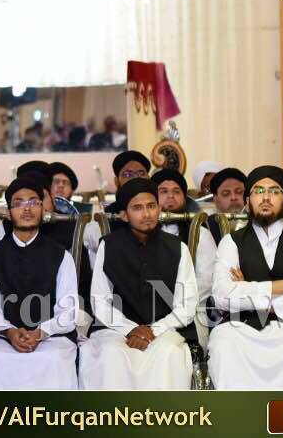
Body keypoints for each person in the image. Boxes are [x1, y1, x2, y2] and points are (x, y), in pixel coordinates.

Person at [207, 165, 283, 389]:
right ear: (248, 200)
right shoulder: (231, 242)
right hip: (241, 327)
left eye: (274, 191)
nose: (265, 197)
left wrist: (248, 290)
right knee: (223, 341)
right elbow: (222, 296)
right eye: (258, 191)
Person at [80, 178, 198, 389]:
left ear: (159, 208)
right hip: (116, 329)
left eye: (151, 206)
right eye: (137, 208)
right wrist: (131, 329)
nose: (147, 214)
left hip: (165, 329)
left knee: (168, 353)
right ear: (124, 215)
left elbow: (187, 304)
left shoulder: (177, 248)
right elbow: (100, 301)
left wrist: (154, 330)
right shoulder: (109, 246)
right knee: (111, 353)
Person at [0, 176, 79, 389]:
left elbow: (68, 310)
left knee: (53, 359)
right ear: (9, 212)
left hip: (51, 336)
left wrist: (40, 332)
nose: (27, 209)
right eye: (19, 203)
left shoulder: (61, 255)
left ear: (42, 209)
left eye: (33, 202)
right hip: (3, 336)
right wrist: (10, 332)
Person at [151, 168, 217, 345]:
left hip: (190, 312)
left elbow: (207, 281)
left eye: (176, 191)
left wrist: (176, 303)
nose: (170, 196)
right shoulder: (141, 233)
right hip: (145, 311)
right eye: (163, 191)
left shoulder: (200, 233)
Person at [82, 150, 151, 258]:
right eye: (128, 174)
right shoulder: (101, 222)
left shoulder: (159, 214)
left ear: (149, 178)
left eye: (141, 173)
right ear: (116, 181)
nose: (135, 178)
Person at [207, 167, 248, 245]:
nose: (233, 197)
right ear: (216, 200)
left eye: (239, 192)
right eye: (226, 194)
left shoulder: (257, 222)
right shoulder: (207, 226)